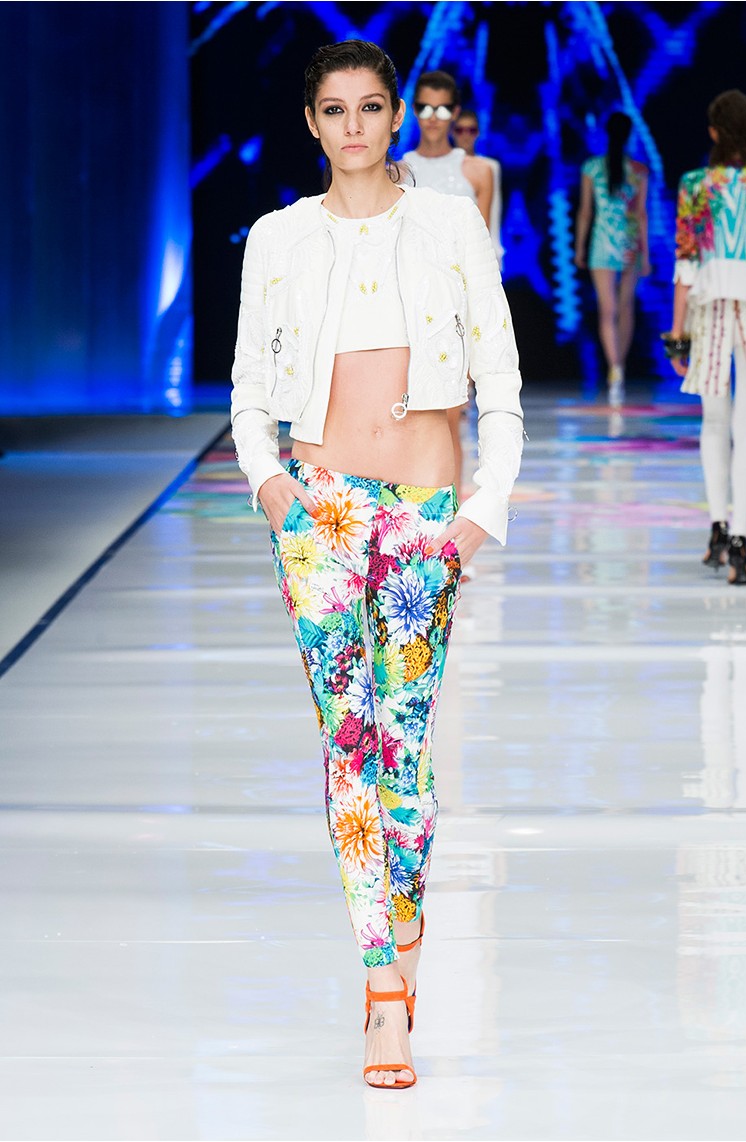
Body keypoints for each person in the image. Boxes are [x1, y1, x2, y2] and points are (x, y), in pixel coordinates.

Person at [230, 40, 524, 1088]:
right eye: (334, 109)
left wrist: (480, 511)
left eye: (369, 107)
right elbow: (248, 386)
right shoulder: (277, 237)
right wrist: (271, 485)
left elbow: (499, 372)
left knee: (406, 749)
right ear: (311, 122)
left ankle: (403, 921)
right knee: (347, 747)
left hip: (422, 519)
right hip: (319, 514)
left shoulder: (449, 224)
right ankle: (384, 986)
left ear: (396, 115)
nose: (353, 126)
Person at [665, 89, 746, 586]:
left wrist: (677, 334)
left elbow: (685, 263)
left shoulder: (696, 184)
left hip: (711, 311)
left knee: (715, 421)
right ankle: (740, 539)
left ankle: (720, 527)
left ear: (714, 132)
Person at [402, 73, 496, 536]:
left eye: (442, 109)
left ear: (455, 113)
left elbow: (485, 253)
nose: (433, 118)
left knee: (451, 419)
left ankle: (448, 531)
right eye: (424, 108)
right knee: (408, 422)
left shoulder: (478, 172)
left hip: (456, 313)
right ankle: (411, 526)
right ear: (411, 111)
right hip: (406, 311)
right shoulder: (397, 171)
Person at [575, 112, 650, 406]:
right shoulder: (638, 170)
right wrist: (646, 255)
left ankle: (615, 369)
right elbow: (641, 215)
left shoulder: (592, 167)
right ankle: (619, 367)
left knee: (608, 310)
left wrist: (580, 248)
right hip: (629, 243)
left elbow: (586, 211)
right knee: (624, 307)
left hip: (603, 242)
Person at [452, 108, 504, 272]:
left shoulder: (490, 167)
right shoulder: (443, 166)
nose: (465, 135)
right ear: (452, 132)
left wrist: (494, 249)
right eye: (460, 130)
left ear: (478, 133)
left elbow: (494, 210)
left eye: (471, 130)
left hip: (480, 248)